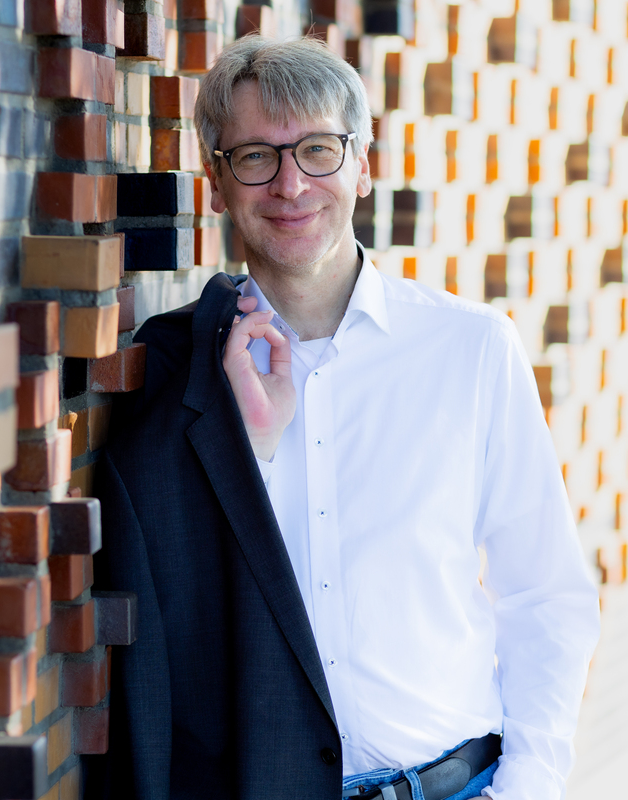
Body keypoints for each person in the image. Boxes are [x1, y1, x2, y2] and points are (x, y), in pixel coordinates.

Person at [94, 36, 600, 800]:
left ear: (363, 165)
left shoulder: (471, 349)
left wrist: (527, 787)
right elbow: (160, 610)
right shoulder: (171, 372)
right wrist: (249, 449)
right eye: (256, 156)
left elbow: (545, 594)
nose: (291, 183)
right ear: (216, 182)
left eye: (319, 150)